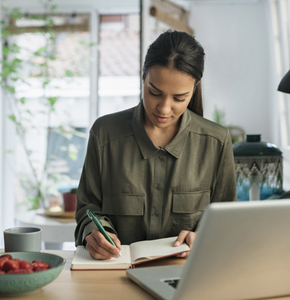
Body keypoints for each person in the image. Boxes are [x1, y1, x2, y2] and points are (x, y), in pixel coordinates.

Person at [74, 30, 237, 260]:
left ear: (195, 88)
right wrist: (95, 233)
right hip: (115, 273)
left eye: (179, 98)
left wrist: (204, 236)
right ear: (143, 77)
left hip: (186, 276)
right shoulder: (105, 134)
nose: (163, 109)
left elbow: (227, 220)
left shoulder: (216, 142)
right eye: (154, 92)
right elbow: (87, 209)